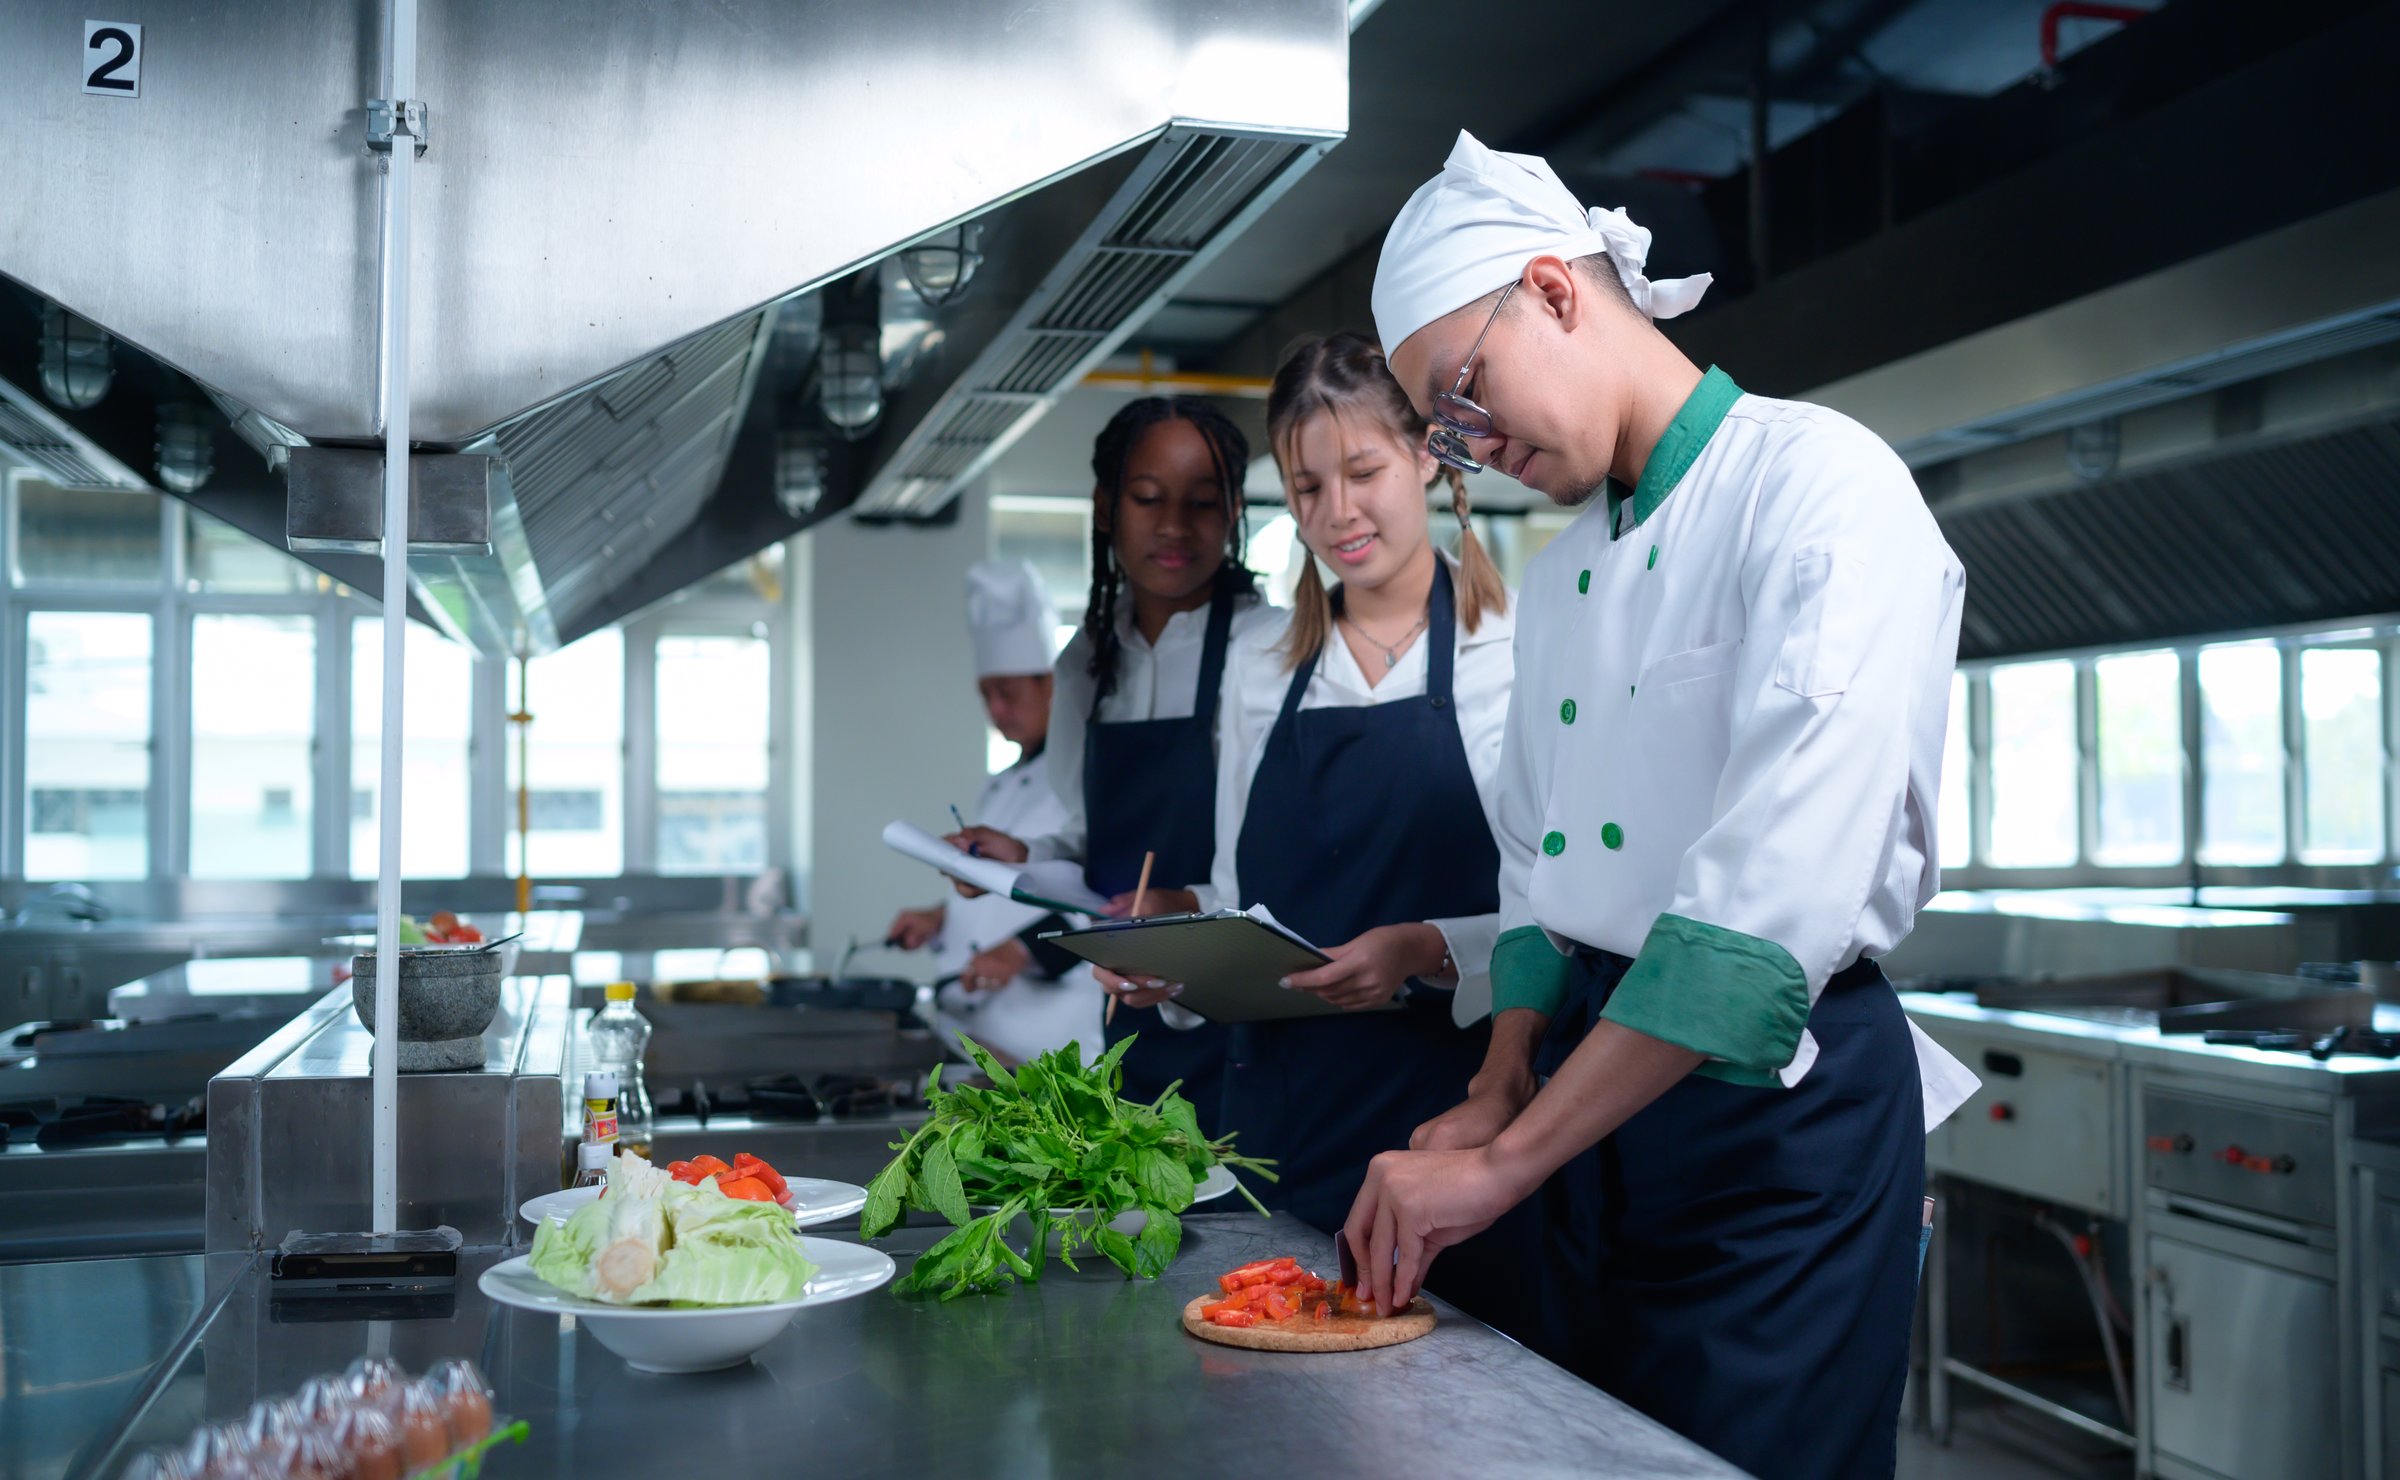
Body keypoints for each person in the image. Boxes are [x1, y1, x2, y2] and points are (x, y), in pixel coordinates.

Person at [1341, 131, 1981, 1480]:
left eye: (1465, 395)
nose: (1470, 448)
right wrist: (1503, 1080)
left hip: (1773, 1128)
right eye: (1446, 430)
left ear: (1553, 291)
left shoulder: (1821, 489)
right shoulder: (1564, 576)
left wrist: (1506, 1166)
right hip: (1599, 1108)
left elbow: (1755, 924)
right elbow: (1538, 874)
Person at [1100, 331, 1546, 1342]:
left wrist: (1422, 946)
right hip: (1276, 1125)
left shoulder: (1517, 649)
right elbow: (1233, 892)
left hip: (1450, 1120)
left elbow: (1555, 915)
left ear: (1427, 453)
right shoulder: (1262, 665)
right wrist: (1174, 959)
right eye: (1307, 487)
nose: (1336, 511)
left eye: (1362, 472)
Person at [945, 398, 1276, 1133]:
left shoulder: (1271, 649)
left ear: (1233, 512)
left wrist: (1184, 906)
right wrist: (1022, 856)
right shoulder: (1085, 663)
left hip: (1250, 1017)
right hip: (1129, 1013)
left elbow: (1288, 867)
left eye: (1202, 503)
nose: (1174, 526)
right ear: (1106, 508)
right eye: (1148, 498)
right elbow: (1088, 840)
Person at [885, 560, 1102, 1066]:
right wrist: (940, 917)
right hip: (984, 1034)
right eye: (986, 695)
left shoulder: (1088, 776)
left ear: (1051, 684)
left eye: (1008, 693)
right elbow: (1002, 891)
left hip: (1052, 1037)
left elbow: (1103, 896)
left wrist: (1022, 950)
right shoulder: (1000, 784)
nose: (996, 711)